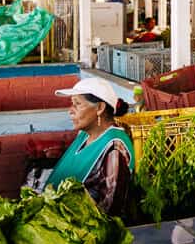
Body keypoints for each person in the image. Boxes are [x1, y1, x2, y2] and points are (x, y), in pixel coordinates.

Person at [45, 78, 134, 216]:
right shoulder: (85, 135)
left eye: (78, 104)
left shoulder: (115, 149)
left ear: (99, 108)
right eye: (71, 104)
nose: (70, 111)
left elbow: (109, 210)